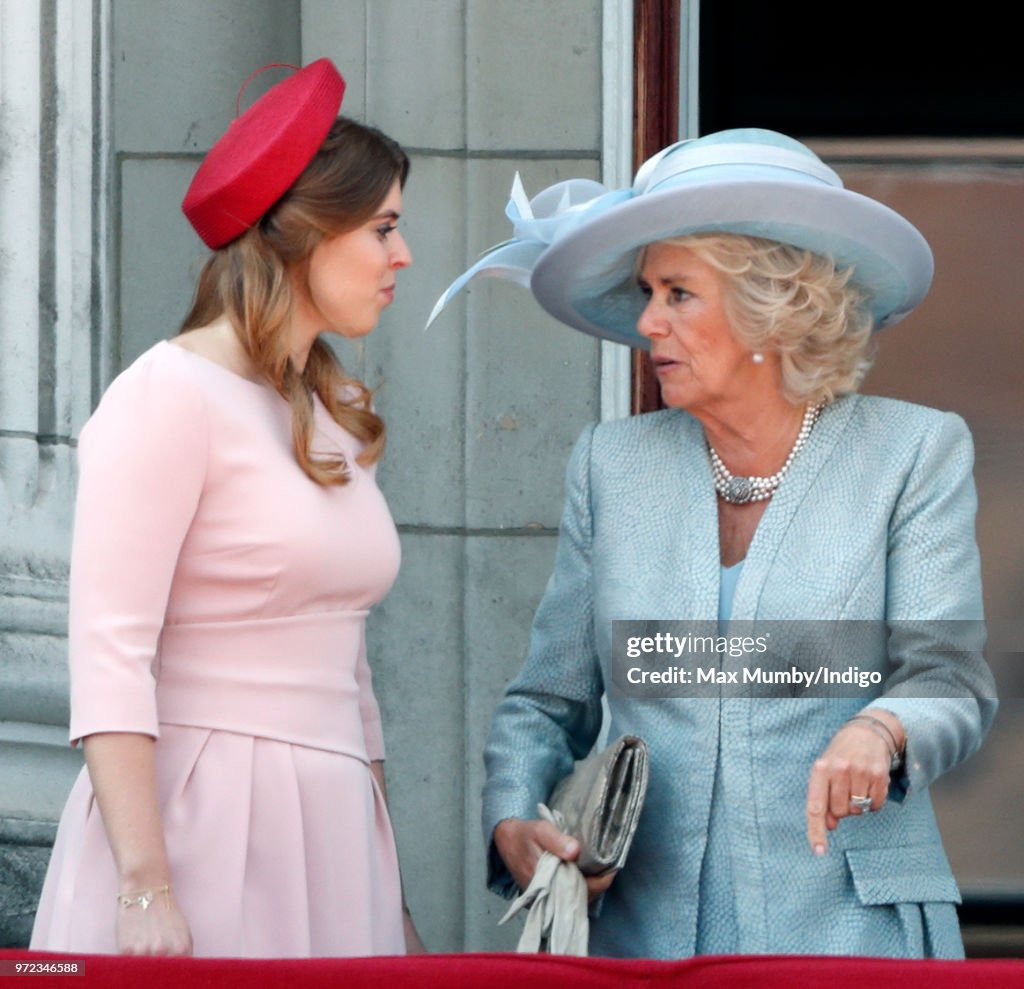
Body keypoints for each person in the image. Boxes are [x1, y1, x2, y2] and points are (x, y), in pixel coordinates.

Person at [431, 128, 996, 958]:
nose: (649, 320)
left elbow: (947, 677)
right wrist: (513, 818)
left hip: (853, 933)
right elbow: (547, 701)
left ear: (771, 303)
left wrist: (881, 729)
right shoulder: (612, 466)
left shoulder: (911, 454)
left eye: (678, 293)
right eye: (647, 290)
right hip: (645, 938)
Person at [31, 58, 424, 957]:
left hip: (331, 828)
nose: (401, 255)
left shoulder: (325, 409)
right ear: (303, 234)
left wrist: (384, 883)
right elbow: (109, 650)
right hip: (205, 821)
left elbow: (351, 676)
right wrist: (143, 884)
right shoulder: (166, 395)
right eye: (383, 228)